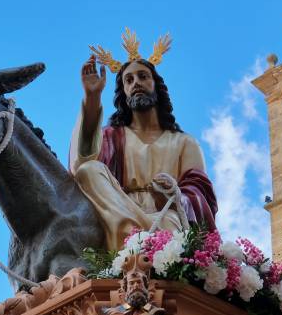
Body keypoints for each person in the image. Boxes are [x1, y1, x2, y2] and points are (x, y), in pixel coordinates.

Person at [70, 30, 217, 249]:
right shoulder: (111, 136)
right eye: (129, 80)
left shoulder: (184, 142)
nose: (136, 82)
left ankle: (139, 244)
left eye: (143, 76)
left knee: (170, 226)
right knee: (88, 170)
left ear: (156, 85)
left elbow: (199, 193)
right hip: (117, 210)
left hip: (166, 217)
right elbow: (79, 164)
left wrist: (173, 195)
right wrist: (92, 98)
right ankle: (135, 242)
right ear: (124, 92)